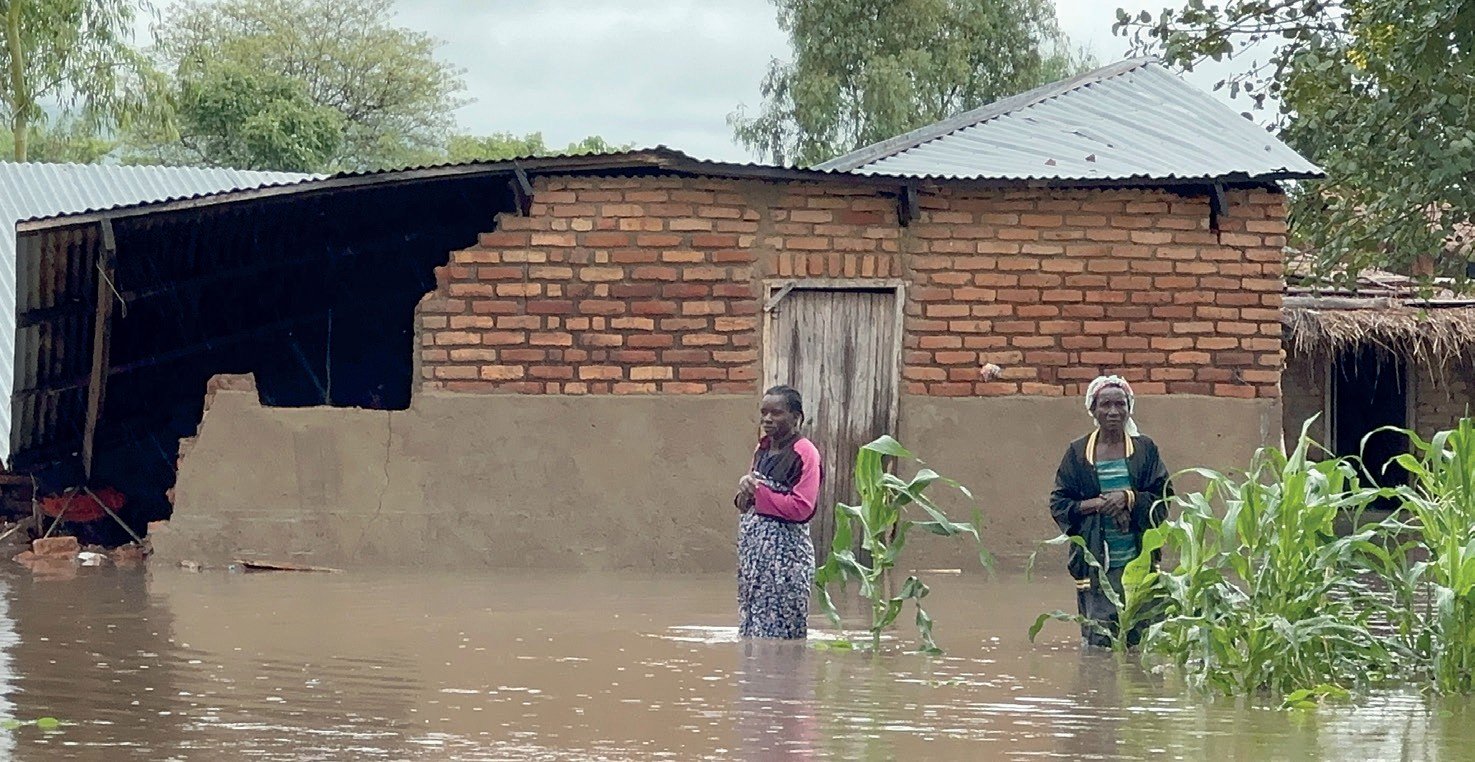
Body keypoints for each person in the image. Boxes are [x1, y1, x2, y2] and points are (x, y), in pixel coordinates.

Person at [1049, 375, 1171, 648]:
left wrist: (1128, 499)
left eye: (1120, 404)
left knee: (1141, 641)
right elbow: (1059, 504)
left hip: (1137, 561)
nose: (1113, 412)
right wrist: (1099, 505)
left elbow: (1162, 499)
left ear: (1130, 408)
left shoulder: (1145, 451)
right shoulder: (1079, 453)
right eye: (1105, 405)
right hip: (1096, 566)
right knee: (1099, 643)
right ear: (1092, 409)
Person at [735, 385, 822, 639]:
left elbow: (803, 507)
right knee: (753, 628)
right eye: (764, 413)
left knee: (784, 633)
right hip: (755, 560)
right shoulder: (761, 449)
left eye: (776, 413)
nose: (768, 419)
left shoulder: (805, 453)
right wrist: (745, 491)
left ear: (796, 417)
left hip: (786, 561)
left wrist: (760, 493)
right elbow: (745, 504)